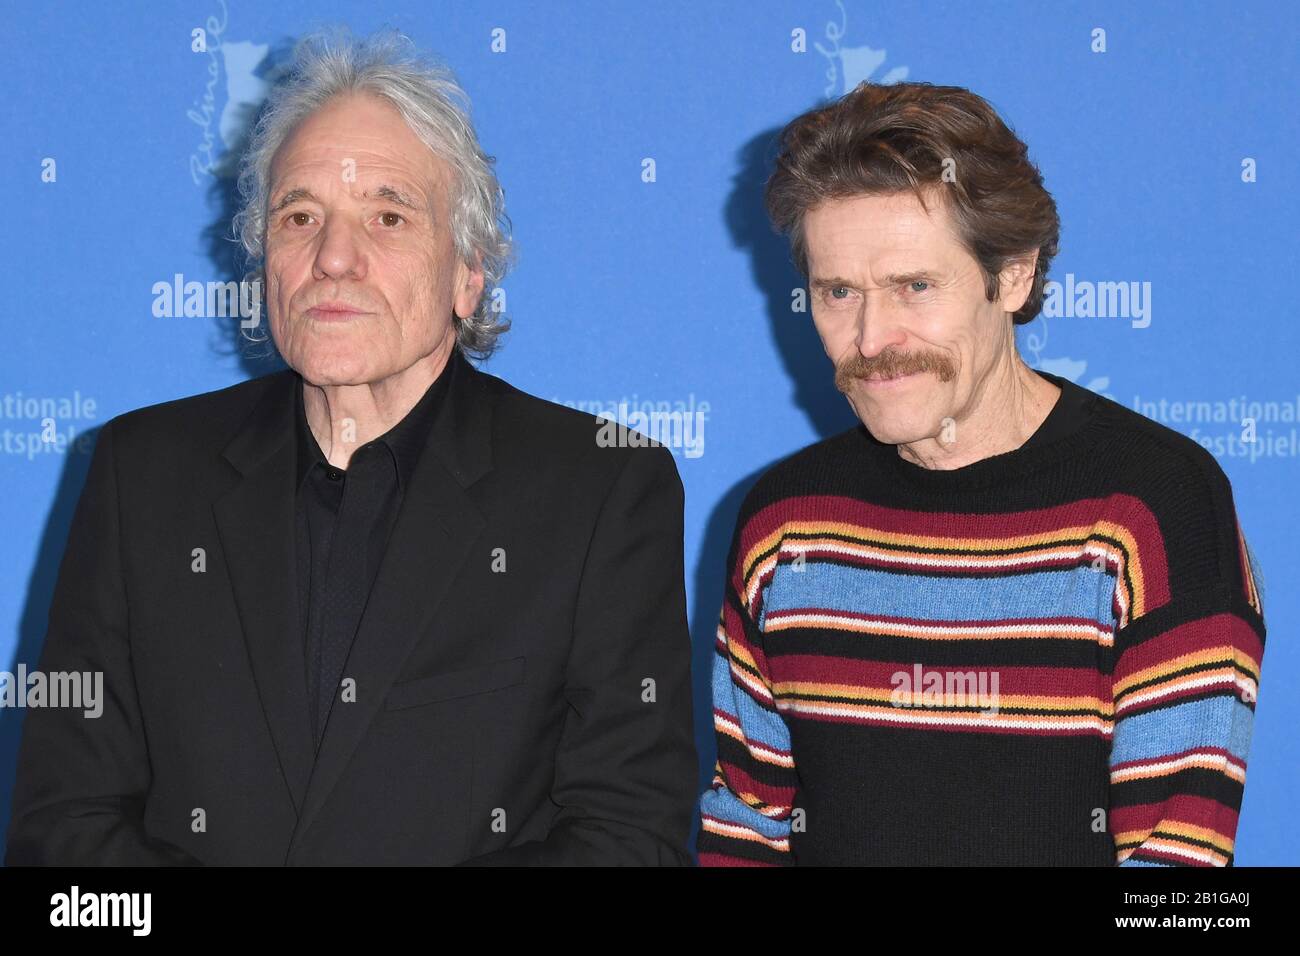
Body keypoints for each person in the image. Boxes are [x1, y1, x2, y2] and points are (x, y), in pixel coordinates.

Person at [7, 27, 696, 866]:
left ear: (466, 272)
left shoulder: (601, 490)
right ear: (265, 260)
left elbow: (628, 841)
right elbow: (62, 839)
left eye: (388, 215)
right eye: (300, 216)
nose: (334, 257)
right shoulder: (140, 473)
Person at [697, 81, 1266, 866]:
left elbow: (1179, 881)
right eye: (838, 293)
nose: (871, 338)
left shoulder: (1153, 509)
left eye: (915, 287)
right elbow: (747, 829)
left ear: (1014, 277)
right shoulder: (785, 525)